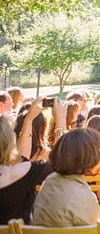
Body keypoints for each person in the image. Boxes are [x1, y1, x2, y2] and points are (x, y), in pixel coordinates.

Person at [0, 96, 62, 224]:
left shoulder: (20, 169)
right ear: (10, 141)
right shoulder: (19, 172)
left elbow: (23, 159)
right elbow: (62, 162)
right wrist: (60, 121)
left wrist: (28, 120)